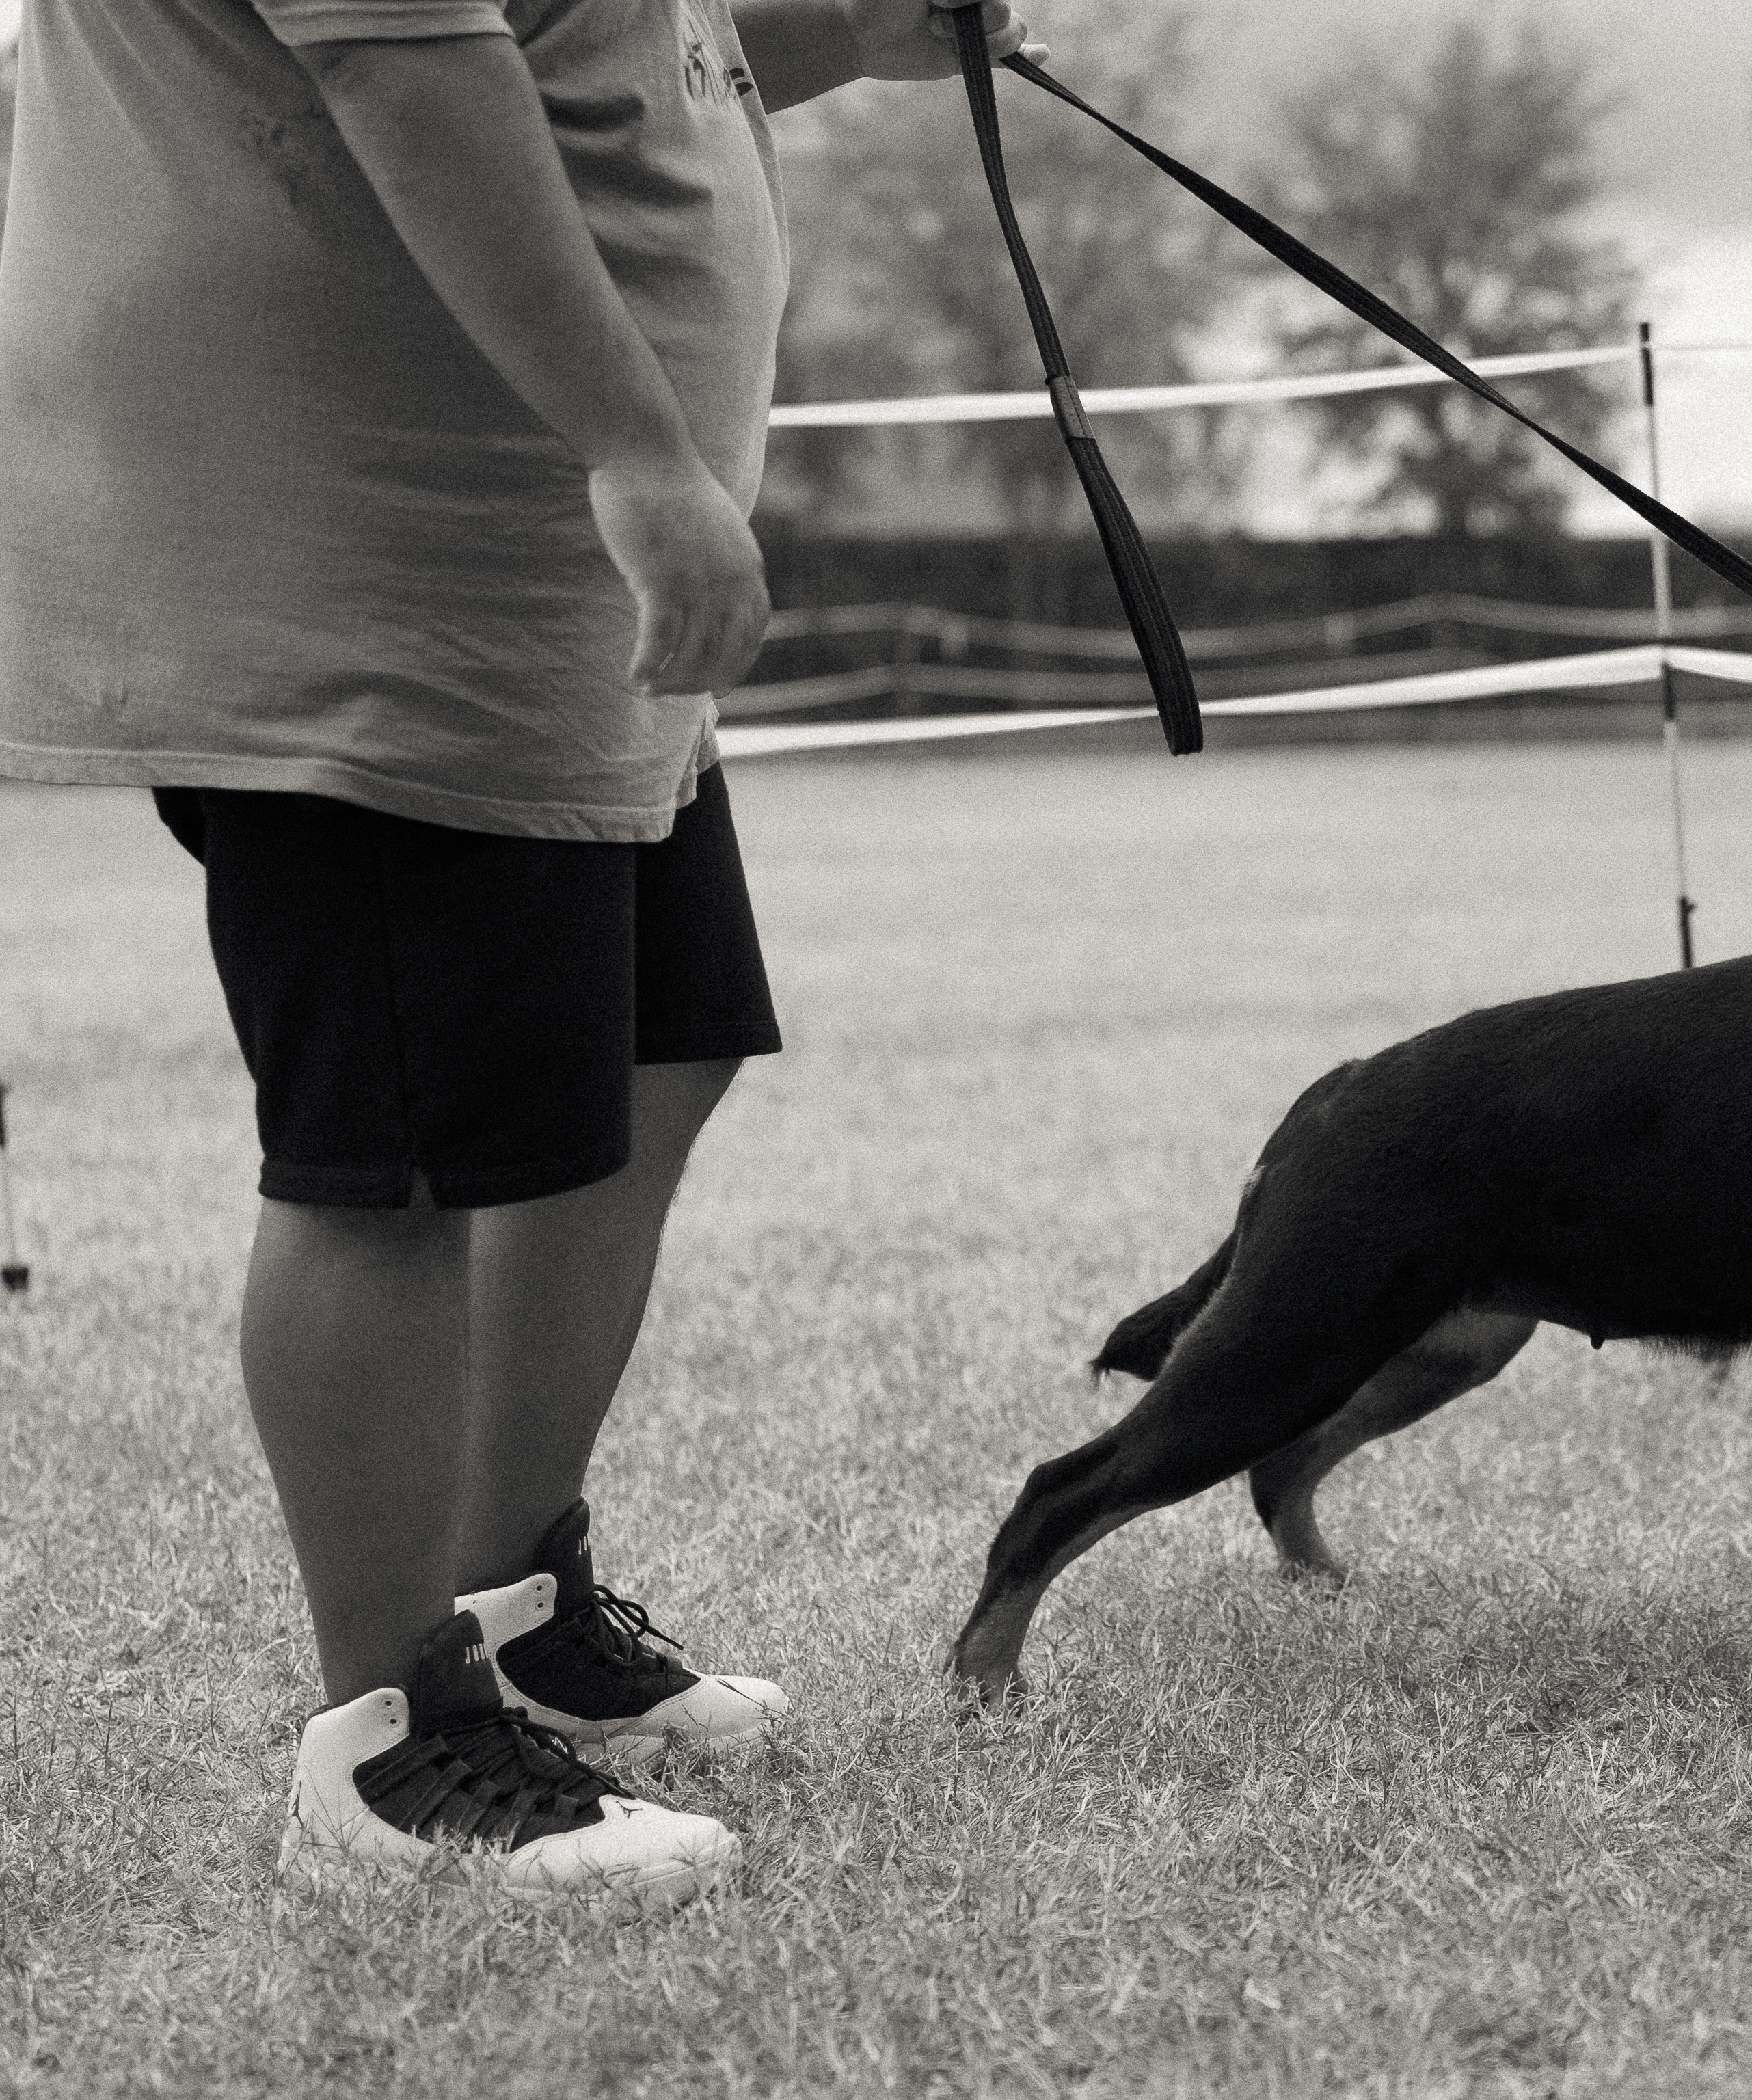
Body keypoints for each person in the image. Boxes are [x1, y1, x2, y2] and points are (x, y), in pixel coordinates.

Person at [0, 0, 1032, 1910]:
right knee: (389, 1157)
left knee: (656, 1056)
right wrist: (638, 450)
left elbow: (596, 34)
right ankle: (393, 1754)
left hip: (528, 585)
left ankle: (509, 1596)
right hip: (378, 551)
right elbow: (405, 58)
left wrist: (861, 33)